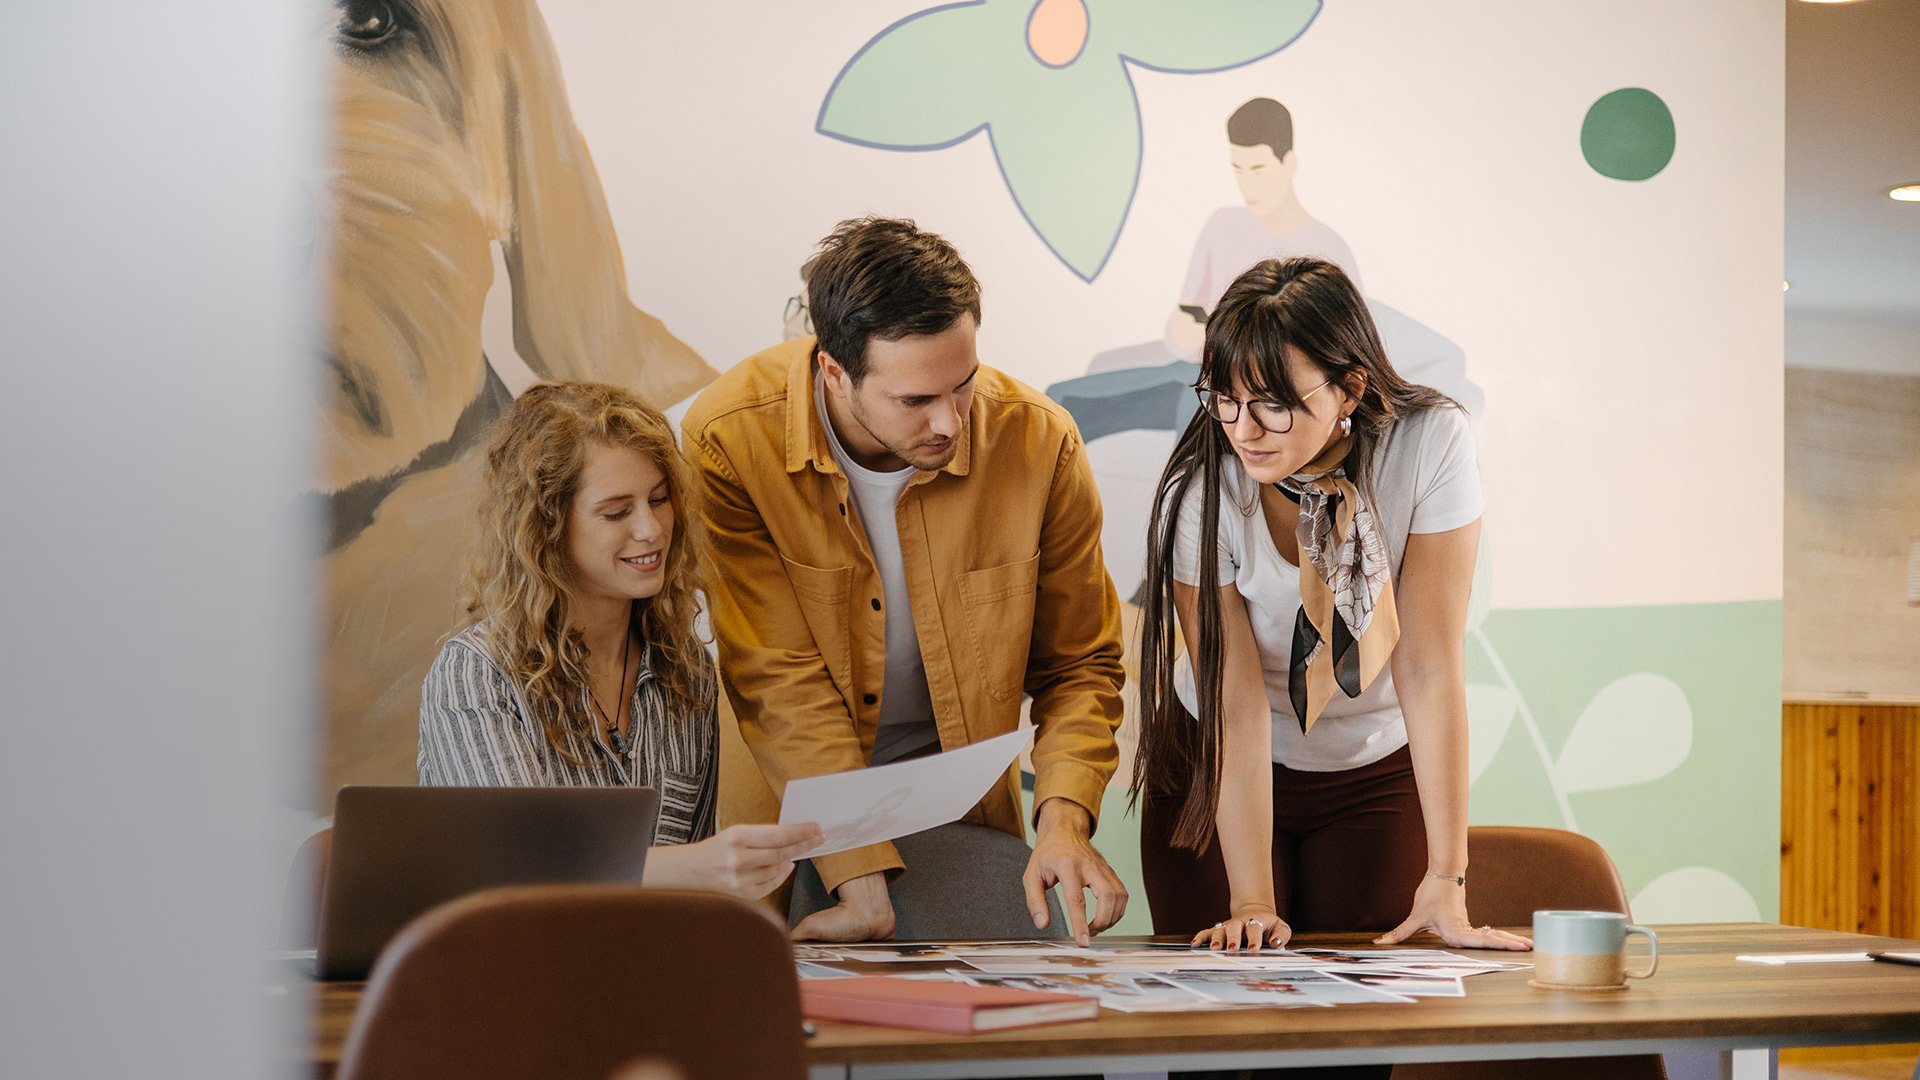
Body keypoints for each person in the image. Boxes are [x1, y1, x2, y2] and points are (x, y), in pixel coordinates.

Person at [684, 216, 1129, 945]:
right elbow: (777, 676)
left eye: (964, 385)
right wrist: (859, 879)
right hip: (787, 800)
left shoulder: (1038, 441)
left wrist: (1063, 821)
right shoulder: (730, 438)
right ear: (834, 372)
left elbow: (1080, 663)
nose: (950, 423)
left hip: (959, 808)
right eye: (915, 401)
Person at [1133, 258, 1531, 960]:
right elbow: (1233, 703)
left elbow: (1428, 667)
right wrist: (1251, 902)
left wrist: (1448, 879)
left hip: (1370, 766)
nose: (1244, 430)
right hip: (1214, 757)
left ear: (1350, 387)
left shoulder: (1429, 445)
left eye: (1272, 403)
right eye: (1223, 398)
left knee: (1363, 1004)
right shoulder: (1201, 492)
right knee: (1225, 999)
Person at [417, 381, 821, 902]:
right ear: (545, 527)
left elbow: (688, 899)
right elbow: (516, 872)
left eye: (659, 500)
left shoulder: (687, 669)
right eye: (616, 512)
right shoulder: (476, 675)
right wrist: (697, 865)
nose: (652, 529)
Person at [1164, 97, 1362, 362]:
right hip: (1213, 371)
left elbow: (1350, 349)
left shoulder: (1329, 248)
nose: (1247, 184)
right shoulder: (1221, 225)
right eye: (1238, 170)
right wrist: (1182, 335)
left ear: (1288, 163)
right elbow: (1185, 315)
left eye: (1258, 170)